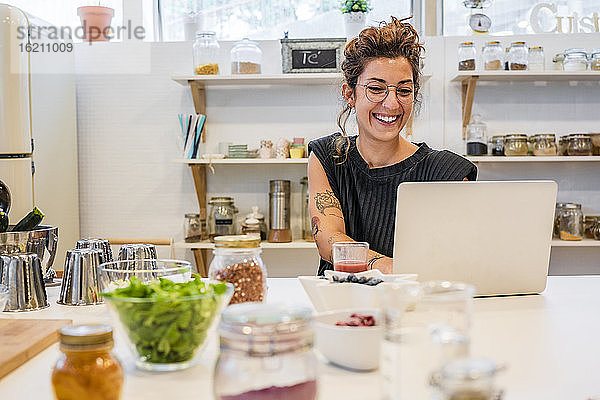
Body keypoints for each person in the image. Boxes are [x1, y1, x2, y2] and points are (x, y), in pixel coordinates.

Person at [307, 17, 477, 276]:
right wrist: (389, 267)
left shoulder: (447, 171)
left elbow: (456, 255)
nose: (392, 104)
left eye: (404, 91)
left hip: (413, 308)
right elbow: (329, 239)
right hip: (340, 304)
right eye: (376, 88)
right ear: (349, 94)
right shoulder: (328, 157)